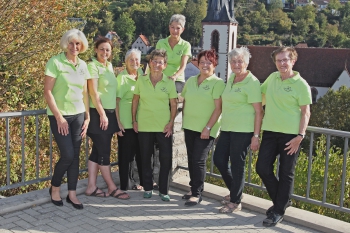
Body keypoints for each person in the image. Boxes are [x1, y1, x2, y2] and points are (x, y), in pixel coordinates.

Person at [256, 47, 311, 227]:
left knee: (286, 173)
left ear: (293, 61)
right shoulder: (272, 78)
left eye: (285, 60)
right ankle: (283, 200)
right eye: (278, 61)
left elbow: (305, 113)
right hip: (270, 132)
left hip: (290, 136)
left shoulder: (301, 84)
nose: (281, 64)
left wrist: (300, 136)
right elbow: (259, 95)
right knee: (262, 168)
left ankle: (278, 210)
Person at [44, 29, 90, 209]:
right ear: (66, 44)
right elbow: (47, 92)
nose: (74, 47)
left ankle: (72, 193)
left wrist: (87, 117)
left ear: (82, 46)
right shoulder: (55, 62)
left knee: (76, 156)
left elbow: (85, 93)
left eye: (77, 43)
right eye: (71, 43)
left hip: (78, 115)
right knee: (68, 155)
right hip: (59, 116)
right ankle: (55, 188)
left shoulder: (83, 65)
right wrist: (59, 117)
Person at [213, 47, 263, 213]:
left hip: (243, 130)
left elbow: (258, 111)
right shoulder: (232, 78)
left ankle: (235, 201)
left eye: (240, 61)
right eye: (233, 61)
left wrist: (256, 135)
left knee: (237, 164)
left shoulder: (252, 82)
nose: (236, 64)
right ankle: (236, 191)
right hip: (227, 128)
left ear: (247, 63)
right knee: (219, 159)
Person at [85, 37, 129, 200]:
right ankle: (111, 187)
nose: (105, 52)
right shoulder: (92, 66)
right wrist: (102, 113)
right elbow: (93, 92)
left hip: (109, 113)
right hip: (99, 114)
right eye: (102, 49)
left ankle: (91, 186)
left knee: (97, 151)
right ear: (95, 50)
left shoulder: (109, 66)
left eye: (108, 50)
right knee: (104, 152)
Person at [132, 49, 177, 201]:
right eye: (154, 61)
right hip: (144, 124)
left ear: (165, 65)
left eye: (160, 62)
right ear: (150, 63)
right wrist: (134, 120)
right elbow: (135, 101)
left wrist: (171, 123)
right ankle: (148, 187)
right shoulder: (141, 80)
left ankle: (164, 190)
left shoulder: (169, 82)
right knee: (145, 158)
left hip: (164, 126)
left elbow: (174, 104)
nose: (157, 64)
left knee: (165, 158)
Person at [181, 50, 225, 206]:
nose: (205, 65)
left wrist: (208, 127)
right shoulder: (192, 80)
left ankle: (198, 194)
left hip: (206, 129)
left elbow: (218, 108)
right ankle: (193, 189)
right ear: (197, 64)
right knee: (192, 160)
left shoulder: (217, 83)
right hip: (190, 126)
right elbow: (183, 99)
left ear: (214, 65)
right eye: (202, 62)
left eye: (209, 62)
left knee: (199, 161)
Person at [116, 48, 144, 191]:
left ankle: (135, 181)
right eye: (131, 60)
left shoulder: (142, 75)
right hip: (126, 122)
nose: (134, 62)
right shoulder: (122, 77)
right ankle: (125, 185)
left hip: (140, 122)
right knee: (125, 155)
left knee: (137, 154)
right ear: (126, 62)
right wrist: (118, 123)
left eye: (137, 59)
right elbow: (116, 101)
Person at [156, 14, 191, 93]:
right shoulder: (161, 43)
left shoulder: (186, 45)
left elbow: (183, 66)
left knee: (171, 93)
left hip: (177, 80)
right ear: (169, 27)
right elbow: (156, 62)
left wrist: (175, 76)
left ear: (183, 29)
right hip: (161, 77)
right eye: (172, 27)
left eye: (178, 28)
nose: (175, 31)